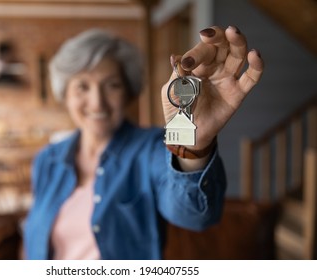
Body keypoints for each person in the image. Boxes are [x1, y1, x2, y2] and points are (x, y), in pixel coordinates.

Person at [24, 26, 264, 260]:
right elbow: (33, 241)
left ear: (129, 92)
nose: (97, 103)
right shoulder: (47, 160)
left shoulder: (152, 148)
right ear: (64, 94)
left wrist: (191, 143)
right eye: (82, 87)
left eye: (112, 85)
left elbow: (194, 217)